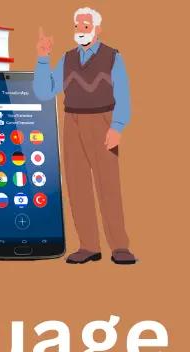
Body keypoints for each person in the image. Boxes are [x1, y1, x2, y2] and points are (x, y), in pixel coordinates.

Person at [35, 7, 135, 264]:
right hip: (72, 121)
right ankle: (89, 245)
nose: (80, 30)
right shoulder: (67, 58)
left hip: (103, 120)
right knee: (77, 185)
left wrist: (118, 127)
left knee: (108, 185)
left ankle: (119, 246)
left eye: (86, 25)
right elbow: (45, 91)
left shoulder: (113, 56)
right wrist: (43, 58)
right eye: (77, 26)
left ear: (98, 29)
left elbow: (123, 94)